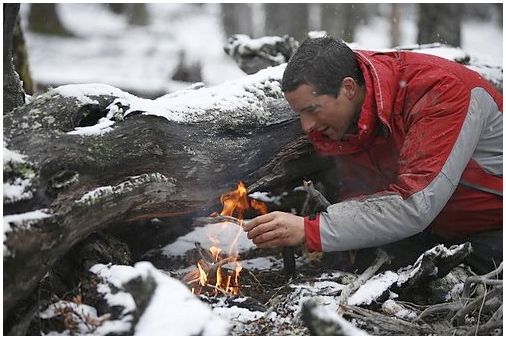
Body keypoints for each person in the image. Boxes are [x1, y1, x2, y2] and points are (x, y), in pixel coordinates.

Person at [243, 37, 502, 274]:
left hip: (492, 229)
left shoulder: (440, 91)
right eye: (300, 113)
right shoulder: (355, 109)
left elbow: (414, 205)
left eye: (312, 110)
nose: (306, 126)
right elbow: (359, 193)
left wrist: (310, 229)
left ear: (348, 88)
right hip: (435, 231)